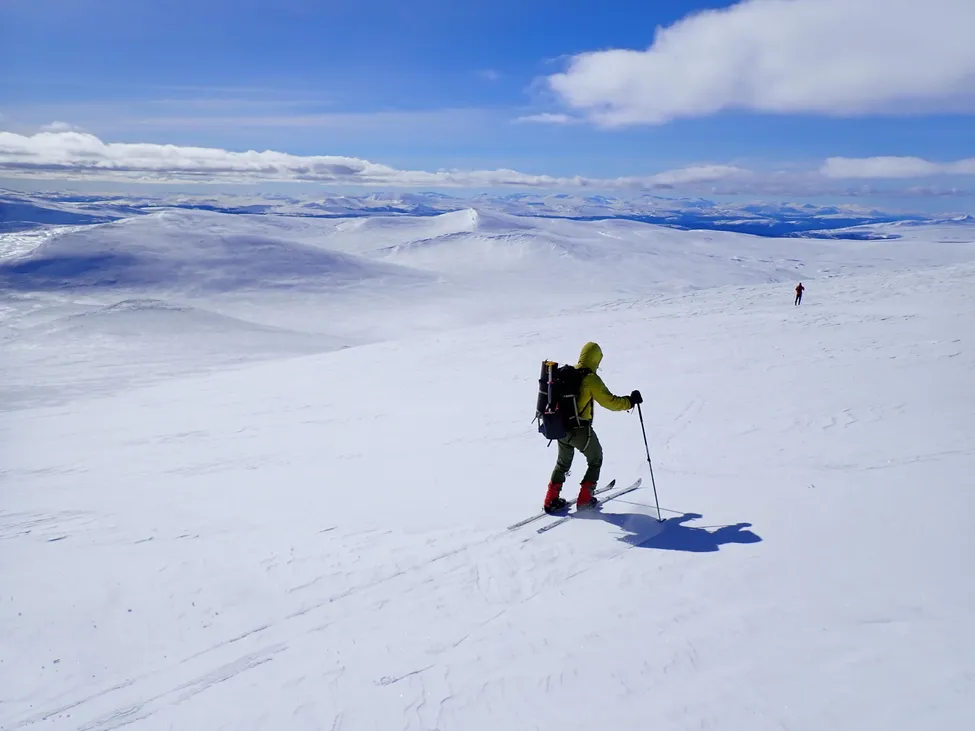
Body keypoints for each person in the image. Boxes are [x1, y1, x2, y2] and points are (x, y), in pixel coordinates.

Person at [543, 341, 642, 513]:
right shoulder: (590, 379)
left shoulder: (567, 373)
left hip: (560, 428)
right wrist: (630, 401)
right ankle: (585, 500)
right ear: (596, 359)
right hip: (580, 430)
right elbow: (610, 402)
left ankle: (551, 499)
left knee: (562, 463)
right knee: (595, 459)